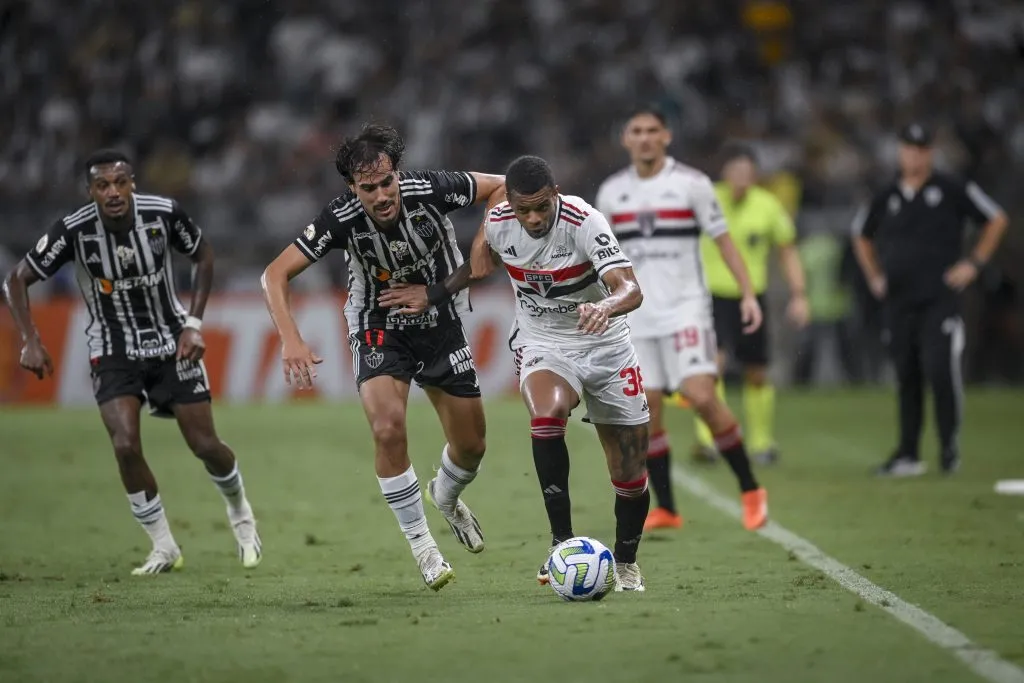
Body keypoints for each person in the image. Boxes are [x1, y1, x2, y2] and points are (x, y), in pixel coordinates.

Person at [260, 124, 506, 591]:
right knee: (387, 428)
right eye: (368, 188)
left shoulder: (430, 188)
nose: (381, 195)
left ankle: (447, 498)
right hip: (379, 324)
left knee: (471, 448)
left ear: (398, 173)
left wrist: (477, 251)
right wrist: (290, 338)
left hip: (440, 319)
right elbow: (274, 275)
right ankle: (423, 548)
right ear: (353, 189)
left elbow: (501, 188)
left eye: (387, 182)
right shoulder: (340, 217)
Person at [2, 149, 261, 575]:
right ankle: (163, 546)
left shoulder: (163, 214)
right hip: (113, 347)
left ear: (132, 184)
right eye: (102, 185)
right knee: (124, 445)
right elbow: (16, 278)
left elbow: (203, 255)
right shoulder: (74, 230)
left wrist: (193, 324)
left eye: (120, 182)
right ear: (91, 192)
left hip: (172, 342)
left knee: (204, 445)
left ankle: (241, 514)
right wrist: (29, 339)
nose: (113, 192)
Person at [465, 154, 650, 591]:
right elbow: (480, 259)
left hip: (606, 345)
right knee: (546, 416)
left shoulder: (585, 221)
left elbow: (630, 288)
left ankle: (626, 563)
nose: (532, 218)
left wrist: (604, 305)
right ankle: (560, 544)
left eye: (541, 207)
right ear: (508, 201)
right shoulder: (498, 221)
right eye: (522, 208)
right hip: (543, 341)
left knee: (629, 474)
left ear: (555, 195)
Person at [595, 106, 769, 532]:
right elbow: (599, 256)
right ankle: (668, 508)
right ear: (626, 140)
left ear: (666, 136)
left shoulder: (692, 184)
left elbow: (725, 243)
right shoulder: (611, 193)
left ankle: (750, 487)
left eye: (652, 130)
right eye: (636, 131)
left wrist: (747, 292)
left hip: (686, 310)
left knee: (701, 395)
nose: (645, 138)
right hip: (636, 317)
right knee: (647, 409)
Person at [852, 122, 1008, 476]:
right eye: (908, 147)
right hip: (898, 300)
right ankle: (908, 453)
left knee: (939, 370)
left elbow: (996, 219)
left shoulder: (952, 188)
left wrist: (974, 263)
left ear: (931, 153)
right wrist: (875, 276)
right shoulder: (886, 193)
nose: (914, 155)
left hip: (940, 298)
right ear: (899, 151)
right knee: (906, 374)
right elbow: (861, 234)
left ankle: (948, 447)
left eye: (921, 148)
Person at [689, 143, 809, 465]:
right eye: (736, 170)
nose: (742, 177)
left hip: (751, 298)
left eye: (747, 171)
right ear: (725, 172)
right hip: (709, 296)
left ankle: (760, 443)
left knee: (757, 372)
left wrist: (799, 294)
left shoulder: (767, 205)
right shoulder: (704, 199)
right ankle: (710, 440)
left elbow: (787, 249)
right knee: (712, 366)